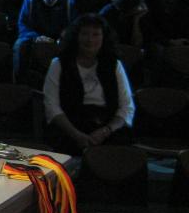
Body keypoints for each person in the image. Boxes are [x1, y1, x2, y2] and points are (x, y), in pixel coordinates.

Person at [43, 14, 135, 155]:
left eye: (96, 34)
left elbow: (127, 106)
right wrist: (77, 135)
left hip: (106, 125)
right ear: (76, 36)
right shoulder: (59, 64)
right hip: (70, 124)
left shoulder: (114, 65)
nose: (90, 40)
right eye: (85, 34)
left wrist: (105, 131)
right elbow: (52, 106)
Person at [13, 0, 76, 77]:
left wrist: (64, 36)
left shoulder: (68, 1)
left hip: (58, 39)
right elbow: (23, 24)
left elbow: (73, 27)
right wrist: (35, 37)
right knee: (20, 45)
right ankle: (20, 81)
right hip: (34, 37)